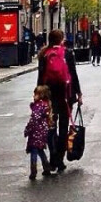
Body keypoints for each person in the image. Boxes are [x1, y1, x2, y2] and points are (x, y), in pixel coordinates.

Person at [37, 28, 83, 173]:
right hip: (65, 95)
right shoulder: (68, 53)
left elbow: (40, 76)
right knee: (64, 127)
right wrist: (79, 93)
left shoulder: (44, 54)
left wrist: (39, 94)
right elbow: (73, 74)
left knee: (50, 127)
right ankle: (59, 159)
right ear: (61, 39)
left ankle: (53, 156)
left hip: (49, 95)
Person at [24, 84, 53, 180]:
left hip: (36, 131)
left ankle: (33, 171)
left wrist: (27, 130)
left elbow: (34, 120)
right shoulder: (45, 105)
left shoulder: (37, 106)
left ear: (40, 95)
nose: (33, 96)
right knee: (40, 149)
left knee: (34, 150)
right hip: (43, 130)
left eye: (35, 94)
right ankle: (46, 167)